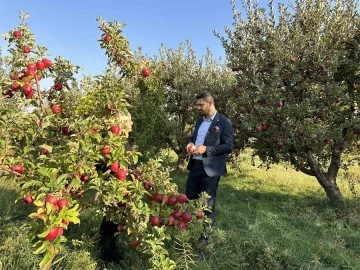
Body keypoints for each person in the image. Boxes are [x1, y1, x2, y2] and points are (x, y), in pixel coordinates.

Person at [185, 92, 234, 233]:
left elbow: (228, 146)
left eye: (201, 105)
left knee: (207, 203)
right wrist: (190, 144)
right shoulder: (200, 121)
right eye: (198, 105)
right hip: (195, 165)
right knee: (189, 199)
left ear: (210, 103)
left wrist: (206, 149)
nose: (198, 107)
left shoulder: (224, 122)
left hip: (211, 168)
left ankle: (205, 236)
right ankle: (190, 231)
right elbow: (195, 138)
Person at [97, 111, 134, 263]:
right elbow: (101, 165)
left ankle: (110, 252)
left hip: (120, 188)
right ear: (123, 124)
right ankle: (105, 256)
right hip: (116, 189)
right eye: (129, 121)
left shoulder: (120, 142)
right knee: (110, 221)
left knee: (114, 221)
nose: (132, 123)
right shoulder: (116, 144)